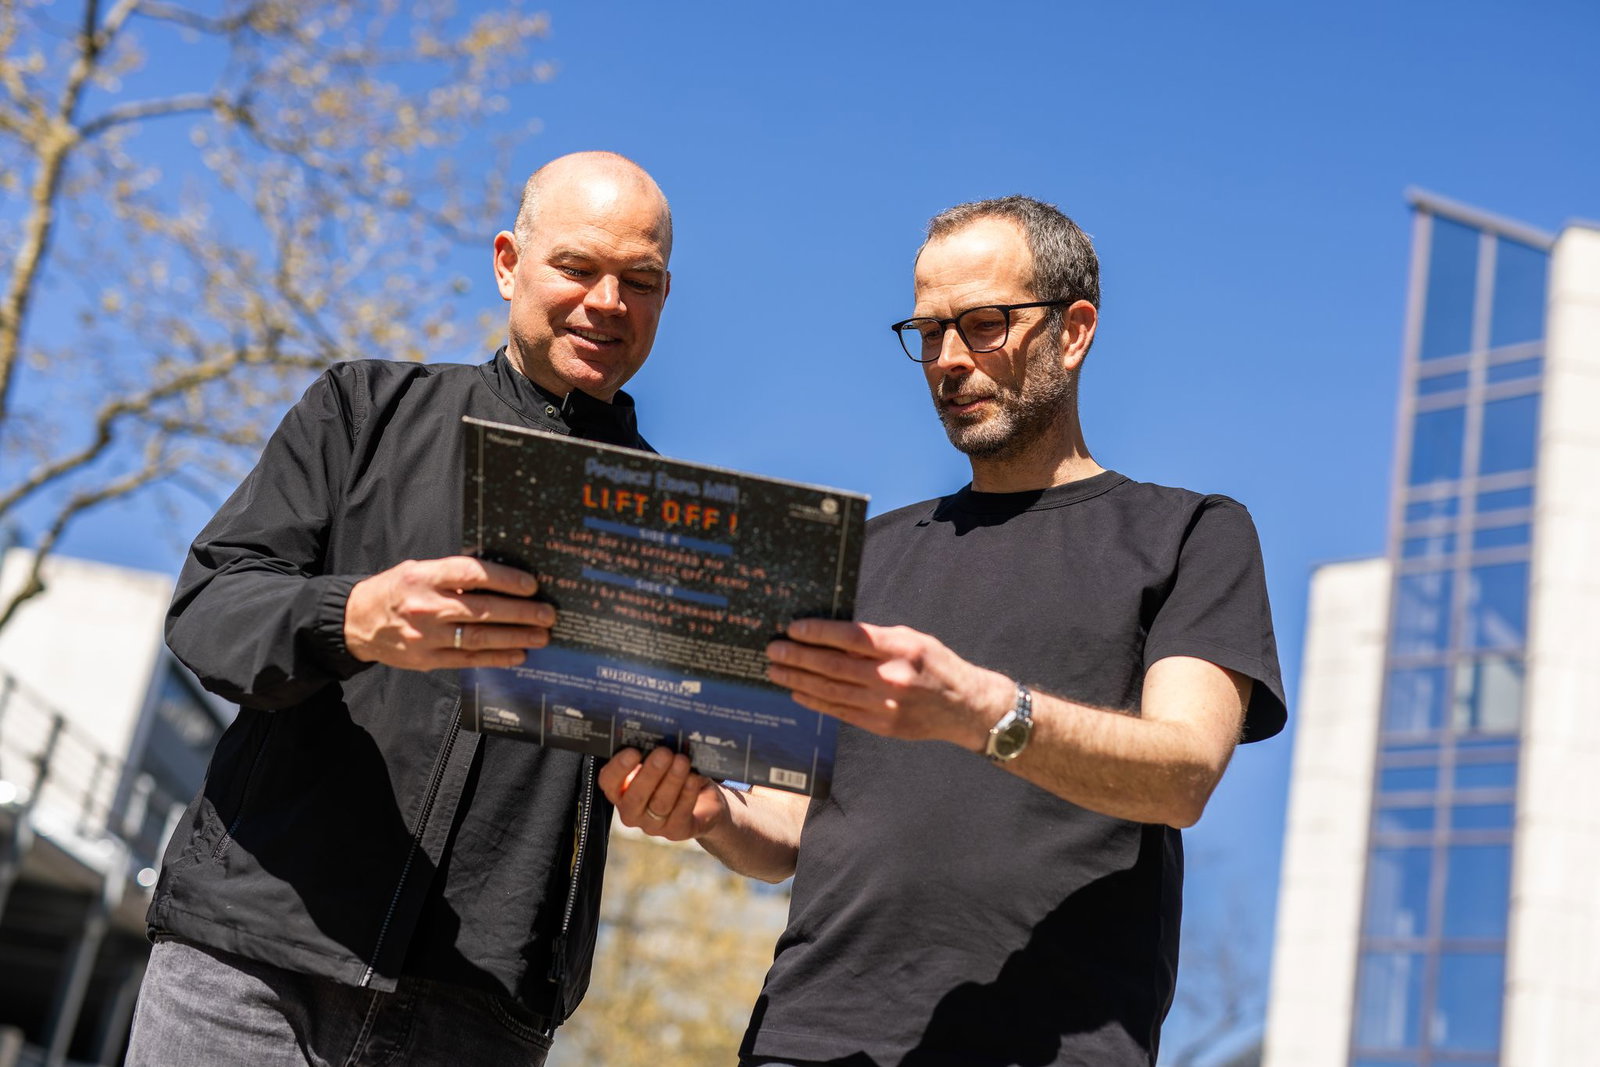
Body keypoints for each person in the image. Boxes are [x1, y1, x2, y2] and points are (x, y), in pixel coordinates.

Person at [600, 195, 1286, 1066]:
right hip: (807, 1040)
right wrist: (709, 816)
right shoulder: (860, 556)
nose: (950, 360)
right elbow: (784, 828)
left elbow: (1183, 773)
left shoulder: (1189, 534)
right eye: (928, 333)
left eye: (984, 324)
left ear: (1074, 332)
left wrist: (978, 709)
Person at [126, 151, 673, 1067]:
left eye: (640, 280)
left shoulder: (675, 524)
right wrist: (350, 618)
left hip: (477, 1014)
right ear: (508, 263)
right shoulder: (361, 409)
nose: (608, 301)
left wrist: (678, 777)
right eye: (578, 268)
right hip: (248, 968)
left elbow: (674, 735)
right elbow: (211, 605)